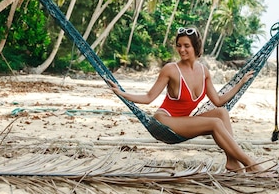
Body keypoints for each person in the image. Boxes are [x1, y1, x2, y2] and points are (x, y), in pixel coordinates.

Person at [109, 27, 262, 173]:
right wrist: (122, 93)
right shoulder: (171, 69)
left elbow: (218, 101)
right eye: (179, 46)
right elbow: (149, 98)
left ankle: (232, 162)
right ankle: (251, 164)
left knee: (221, 113)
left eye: (186, 46)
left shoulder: (204, 71)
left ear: (196, 47)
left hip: (183, 121)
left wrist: (240, 83)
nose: (181, 50)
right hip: (164, 123)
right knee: (215, 123)